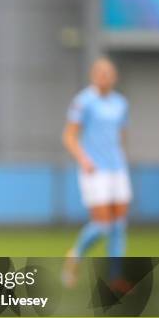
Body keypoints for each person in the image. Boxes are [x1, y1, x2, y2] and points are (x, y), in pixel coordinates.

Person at [63, 57, 131, 286]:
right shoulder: (84, 101)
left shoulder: (120, 103)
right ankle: (76, 253)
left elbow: (120, 135)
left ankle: (116, 277)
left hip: (117, 168)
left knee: (119, 224)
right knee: (102, 224)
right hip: (95, 170)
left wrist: (119, 155)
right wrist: (84, 159)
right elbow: (69, 136)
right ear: (94, 75)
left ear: (115, 76)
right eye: (101, 73)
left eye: (109, 73)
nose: (105, 77)